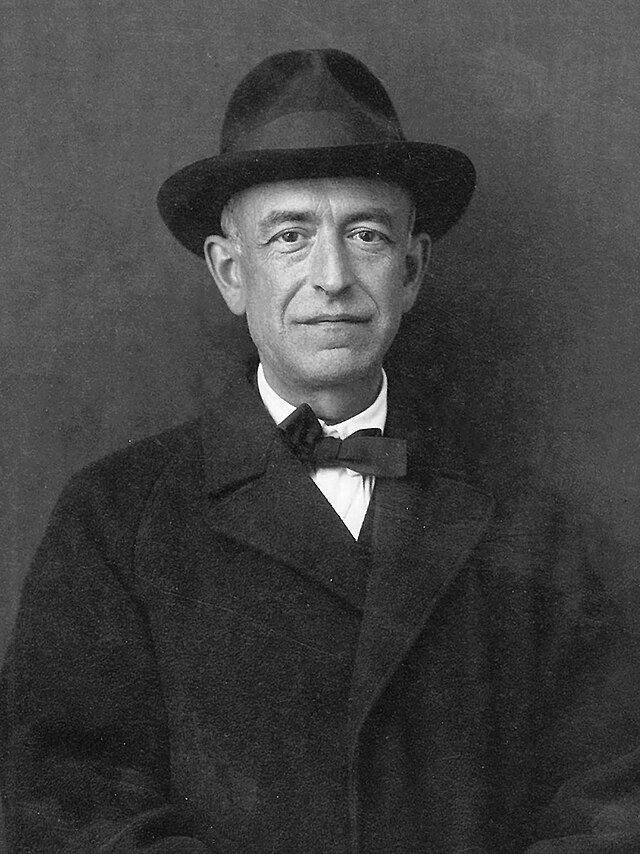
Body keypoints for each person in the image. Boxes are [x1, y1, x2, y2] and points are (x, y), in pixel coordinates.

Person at [2, 47, 640, 854]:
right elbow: (68, 799)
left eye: (366, 234)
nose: (333, 276)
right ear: (231, 272)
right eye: (290, 236)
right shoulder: (114, 519)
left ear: (412, 269)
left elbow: (612, 796)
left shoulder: (529, 525)